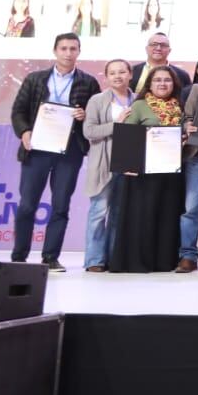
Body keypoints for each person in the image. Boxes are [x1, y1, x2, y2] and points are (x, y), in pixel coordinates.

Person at [8, 33, 101, 271]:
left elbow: (96, 116)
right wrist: (25, 132)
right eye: (63, 48)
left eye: (73, 48)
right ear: (55, 51)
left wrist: (83, 116)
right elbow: (18, 111)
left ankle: (50, 257)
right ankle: (19, 256)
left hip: (69, 150)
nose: (68, 53)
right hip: (36, 148)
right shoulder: (35, 79)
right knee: (28, 204)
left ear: (79, 52)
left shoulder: (89, 82)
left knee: (61, 205)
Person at [109, 65, 186, 273]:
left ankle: (163, 262)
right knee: (142, 217)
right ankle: (138, 262)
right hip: (142, 174)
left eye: (167, 80)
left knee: (167, 217)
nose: (163, 84)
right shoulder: (140, 106)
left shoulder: (179, 106)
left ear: (174, 84)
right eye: (158, 80)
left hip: (170, 173)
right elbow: (126, 134)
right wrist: (126, 164)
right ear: (149, 84)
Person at [79, 59, 134, 272]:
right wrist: (116, 124)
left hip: (129, 164)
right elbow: (89, 131)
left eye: (122, 72)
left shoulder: (138, 100)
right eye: (113, 73)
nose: (118, 76)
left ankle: (113, 259)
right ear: (107, 76)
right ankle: (94, 260)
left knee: (119, 215)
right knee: (98, 212)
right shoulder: (97, 100)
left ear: (130, 74)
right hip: (104, 164)